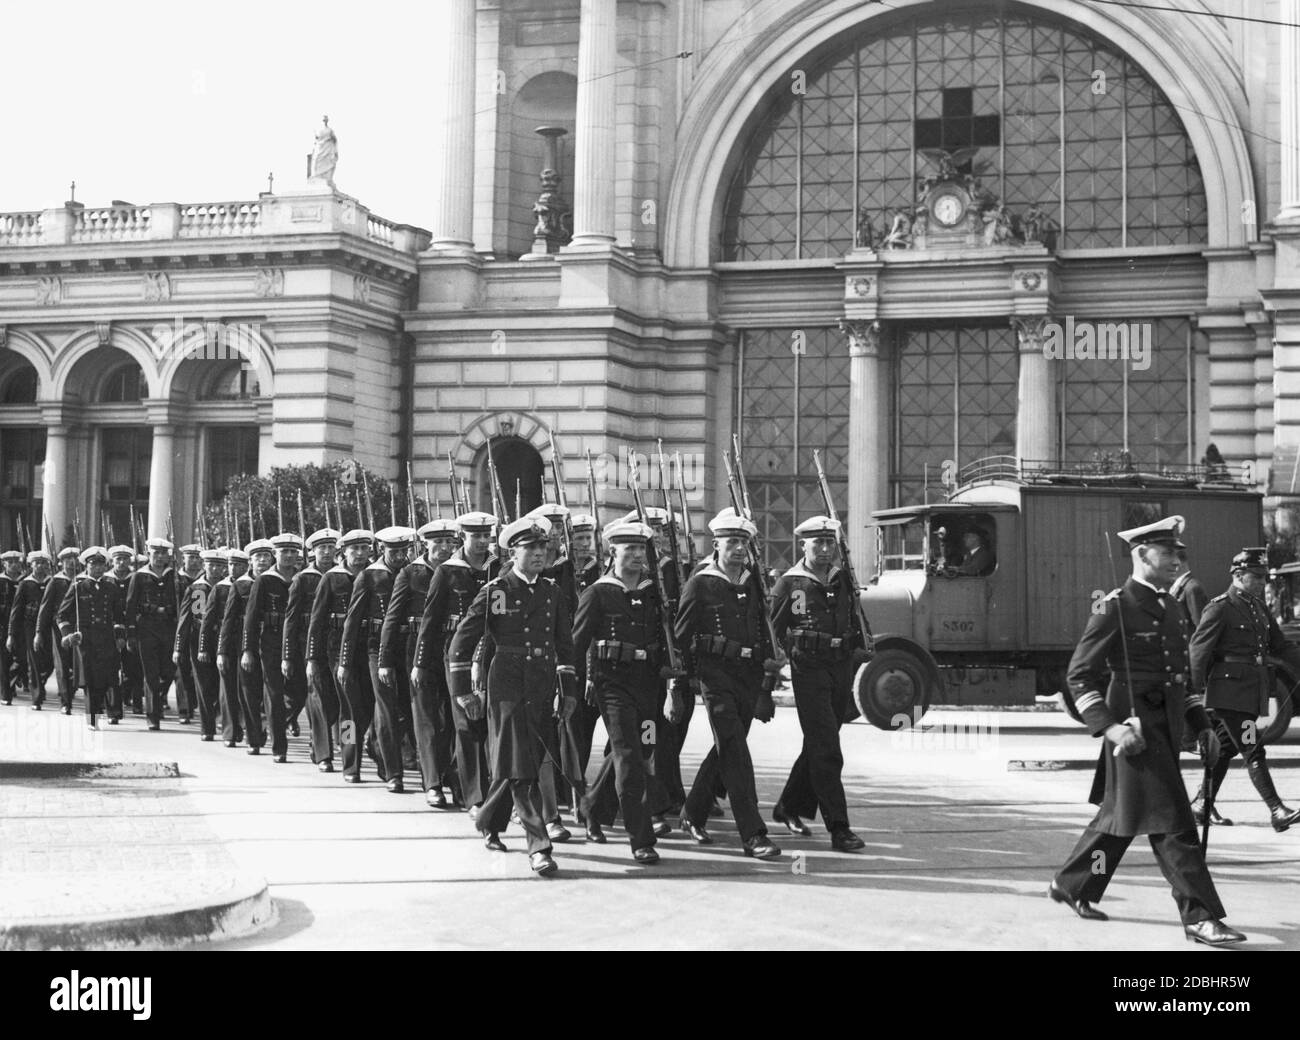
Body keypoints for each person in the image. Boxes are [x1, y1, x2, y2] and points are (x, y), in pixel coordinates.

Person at [1048, 515, 1245, 946]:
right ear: (1141, 554)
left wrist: (1201, 725)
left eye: (1179, 553)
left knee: (1120, 821)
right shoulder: (1112, 605)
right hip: (1133, 736)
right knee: (1174, 825)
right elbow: (1079, 676)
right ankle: (1200, 916)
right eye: (1168, 552)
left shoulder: (1171, 605)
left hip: (1165, 728)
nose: (1177, 559)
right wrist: (1111, 730)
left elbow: (1181, 678)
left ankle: (1074, 883)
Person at [447, 515, 578, 876]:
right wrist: (463, 692)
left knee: (522, 759)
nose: (539, 553)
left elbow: (564, 645)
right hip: (506, 683)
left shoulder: (552, 591)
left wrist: (567, 690)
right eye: (530, 548)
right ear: (512, 551)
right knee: (521, 766)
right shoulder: (499, 590)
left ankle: (489, 819)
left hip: (541, 683)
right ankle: (540, 846)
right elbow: (462, 642)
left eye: (542, 547)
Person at [674, 508, 784, 858]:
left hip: (748, 675)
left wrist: (768, 683)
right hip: (715, 674)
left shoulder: (752, 581)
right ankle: (753, 834)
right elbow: (680, 637)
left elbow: (763, 631)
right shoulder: (701, 582)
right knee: (736, 749)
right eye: (732, 542)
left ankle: (692, 812)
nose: (739, 549)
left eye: (744, 542)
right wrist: (681, 684)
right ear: (716, 545)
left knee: (727, 748)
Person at [573, 520, 678, 861]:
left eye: (640, 549)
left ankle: (591, 806)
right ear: (612, 552)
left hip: (648, 686)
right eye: (627, 549)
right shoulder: (598, 592)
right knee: (630, 756)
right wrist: (576, 682)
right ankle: (641, 838)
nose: (635, 555)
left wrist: (674, 683)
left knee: (642, 749)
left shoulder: (653, 593)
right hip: (612, 685)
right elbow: (579, 643)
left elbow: (666, 641)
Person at [770, 515, 870, 851]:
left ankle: (787, 806)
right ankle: (839, 828)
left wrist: (860, 647)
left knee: (819, 741)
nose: (825, 549)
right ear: (803, 545)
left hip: (840, 667)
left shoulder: (843, 579)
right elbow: (774, 630)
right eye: (818, 543)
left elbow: (853, 618)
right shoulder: (792, 584)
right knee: (827, 748)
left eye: (830, 543)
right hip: (809, 669)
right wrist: (784, 663)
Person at [1188, 547, 1300, 832]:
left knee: (1224, 750)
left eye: (1264, 577)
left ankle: (1201, 804)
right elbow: (1198, 653)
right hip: (1227, 693)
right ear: (1238, 575)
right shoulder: (1219, 607)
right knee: (1253, 749)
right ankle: (1277, 810)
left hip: (1251, 690)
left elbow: (1281, 646)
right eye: (1258, 577)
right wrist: (1194, 696)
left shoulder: (1258, 607)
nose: (1264, 583)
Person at [412, 512, 499, 813]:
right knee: (465, 721)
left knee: (488, 724)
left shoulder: (498, 569)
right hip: (456, 653)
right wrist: (421, 663)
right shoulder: (448, 572)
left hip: (492, 652)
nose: (483, 542)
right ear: (463, 536)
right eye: (476, 536)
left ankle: (472, 785)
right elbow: (430, 621)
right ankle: (473, 796)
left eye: (487, 536)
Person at [381, 519, 460, 807]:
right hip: (417, 650)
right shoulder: (411, 573)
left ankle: (454, 777)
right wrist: (385, 660)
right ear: (425, 544)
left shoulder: (459, 572)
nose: (443, 548)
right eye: (437, 543)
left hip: (452, 650)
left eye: (449, 543)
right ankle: (433, 784)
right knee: (425, 720)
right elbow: (392, 617)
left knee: (451, 721)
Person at [341, 526, 416, 793]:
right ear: (382, 550)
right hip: (371, 649)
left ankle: (380, 751)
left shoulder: (414, 573)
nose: (398, 557)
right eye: (393, 551)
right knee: (355, 712)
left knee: (406, 709)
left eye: (403, 551)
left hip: (406, 646)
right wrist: (344, 661)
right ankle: (360, 764)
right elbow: (351, 622)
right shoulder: (367, 577)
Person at [308, 529, 371, 779]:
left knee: (367, 707)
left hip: (368, 645)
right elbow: (316, 620)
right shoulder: (332, 578)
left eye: (364, 548)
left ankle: (368, 744)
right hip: (335, 649)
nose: (359, 554)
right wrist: (312, 657)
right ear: (343, 551)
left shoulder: (375, 575)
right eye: (354, 549)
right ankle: (350, 762)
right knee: (349, 708)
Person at [244, 534, 305, 763]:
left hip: (297, 641)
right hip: (271, 641)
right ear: (275, 554)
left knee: (300, 692)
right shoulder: (265, 581)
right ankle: (279, 747)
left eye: (293, 552)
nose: (289, 556)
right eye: (284, 551)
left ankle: (279, 720)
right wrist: (248, 650)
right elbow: (251, 618)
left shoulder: (302, 577)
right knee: (275, 694)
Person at [58, 547, 126, 727]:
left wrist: (120, 636)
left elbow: (119, 616)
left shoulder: (111, 587)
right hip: (86, 639)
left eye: (101, 564)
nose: (97, 568)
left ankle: (113, 712)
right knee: (90, 680)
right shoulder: (78, 587)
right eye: (93, 564)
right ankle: (93, 718)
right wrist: (68, 634)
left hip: (107, 638)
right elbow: (62, 615)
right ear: (86, 566)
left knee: (110, 676)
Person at [288, 529, 338, 766]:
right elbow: (292, 619)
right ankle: (324, 755)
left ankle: (331, 743)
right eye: (322, 548)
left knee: (336, 703)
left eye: (330, 547)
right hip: (308, 644)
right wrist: (288, 656)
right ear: (313, 552)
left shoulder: (342, 575)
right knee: (317, 699)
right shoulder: (303, 579)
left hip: (337, 644)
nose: (327, 553)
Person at [221, 540, 272, 752]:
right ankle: (254, 737)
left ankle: (272, 724)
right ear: (250, 561)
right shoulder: (240, 585)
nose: (262, 560)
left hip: (273, 642)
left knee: (274, 693)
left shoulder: (278, 581)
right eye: (257, 557)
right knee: (249, 693)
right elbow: (228, 620)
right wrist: (222, 651)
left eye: (266, 556)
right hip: (243, 644)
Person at [124, 537, 179, 731]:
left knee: (169, 671)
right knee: (151, 674)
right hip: (146, 629)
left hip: (169, 629)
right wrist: (130, 633)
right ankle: (153, 715)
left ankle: (159, 697)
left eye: (164, 553)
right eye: (156, 553)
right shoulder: (139, 576)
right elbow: (130, 606)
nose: (160, 557)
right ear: (149, 554)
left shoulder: (174, 576)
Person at [174, 548, 225, 740]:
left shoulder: (228, 587)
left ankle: (222, 717)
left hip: (222, 638)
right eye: (211, 565)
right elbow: (186, 619)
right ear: (205, 565)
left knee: (221, 682)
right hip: (199, 640)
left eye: (219, 565)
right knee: (203, 684)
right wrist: (179, 647)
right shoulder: (197, 588)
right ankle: (207, 727)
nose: (215, 569)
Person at [201, 548, 247, 748]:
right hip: (223, 640)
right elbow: (204, 618)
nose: (233, 568)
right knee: (226, 688)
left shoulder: (250, 585)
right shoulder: (219, 588)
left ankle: (249, 727)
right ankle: (229, 731)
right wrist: (204, 646)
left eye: (239, 565)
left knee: (246, 688)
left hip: (246, 640)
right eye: (231, 564)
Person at [37, 545, 81, 715]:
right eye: (67, 559)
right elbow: (45, 608)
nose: (72, 562)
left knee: (77, 664)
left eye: (75, 558)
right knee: (62, 665)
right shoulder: (55, 581)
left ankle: (71, 691)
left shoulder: (82, 579)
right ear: (61, 562)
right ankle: (66, 702)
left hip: (79, 627)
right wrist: (39, 632)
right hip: (59, 628)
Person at [10, 550, 53, 708]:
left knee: (50, 661)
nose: (40, 566)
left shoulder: (51, 582)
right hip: (28, 625)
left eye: (43, 563)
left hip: (48, 625)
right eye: (37, 563)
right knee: (33, 661)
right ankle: (37, 697)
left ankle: (37, 681)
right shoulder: (25, 583)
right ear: (31, 565)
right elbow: (16, 610)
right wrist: (12, 634)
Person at [108, 546, 144, 714]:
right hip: (110, 628)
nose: (121, 563)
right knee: (110, 667)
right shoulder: (106, 579)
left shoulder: (136, 578)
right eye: (118, 559)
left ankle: (137, 702)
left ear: (130, 561)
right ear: (112, 561)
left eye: (125, 559)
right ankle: (112, 702)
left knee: (134, 668)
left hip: (132, 627)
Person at [0, 549, 24, 704]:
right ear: (4, 564)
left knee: (22, 659)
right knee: (3, 659)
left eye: (17, 562)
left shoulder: (25, 581)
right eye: (11, 562)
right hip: (2, 624)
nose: (14, 565)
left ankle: (10, 681)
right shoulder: (1, 581)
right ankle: (5, 693)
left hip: (22, 625)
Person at [1171, 549, 1209, 627]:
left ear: (1180, 563)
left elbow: (1200, 626)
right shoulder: (1179, 585)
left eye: (1171, 563)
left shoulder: (1192, 588)